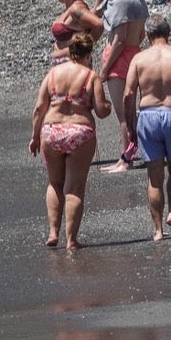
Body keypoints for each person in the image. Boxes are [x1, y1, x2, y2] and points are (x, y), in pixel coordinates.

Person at [123, 16, 171, 242]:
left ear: (148, 35)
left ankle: (158, 230)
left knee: (154, 177)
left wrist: (130, 125)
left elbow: (128, 94)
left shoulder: (139, 59)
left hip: (148, 116)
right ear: (168, 33)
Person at [30, 32, 109, 250]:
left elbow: (39, 108)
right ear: (89, 54)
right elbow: (102, 111)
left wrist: (35, 136)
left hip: (52, 130)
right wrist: (108, 105)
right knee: (74, 188)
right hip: (79, 131)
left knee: (55, 183)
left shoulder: (53, 74)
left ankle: (53, 232)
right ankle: (71, 240)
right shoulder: (91, 76)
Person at [95, 0, 149, 172]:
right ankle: (131, 154)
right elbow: (142, 32)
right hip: (135, 54)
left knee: (123, 115)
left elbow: (118, 39)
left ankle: (126, 160)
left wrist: (104, 70)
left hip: (120, 59)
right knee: (132, 111)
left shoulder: (119, 1)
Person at [50, 0, 102, 64]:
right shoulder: (71, 7)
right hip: (66, 62)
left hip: (75, 62)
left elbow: (98, 25)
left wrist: (83, 49)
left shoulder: (76, 9)